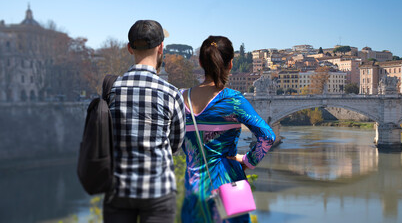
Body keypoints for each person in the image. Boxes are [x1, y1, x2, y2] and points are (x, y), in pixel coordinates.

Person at [181, 36, 276, 222]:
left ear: (200, 62)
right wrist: (248, 161)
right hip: (228, 191)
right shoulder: (232, 100)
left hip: (193, 191)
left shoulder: (180, 98)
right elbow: (267, 136)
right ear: (231, 64)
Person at [104, 20, 186, 223]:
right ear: (161, 48)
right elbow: (175, 145)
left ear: (129, 48)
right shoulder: (171, 93)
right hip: (158, 190)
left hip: (118, 188)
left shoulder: (112, 89)